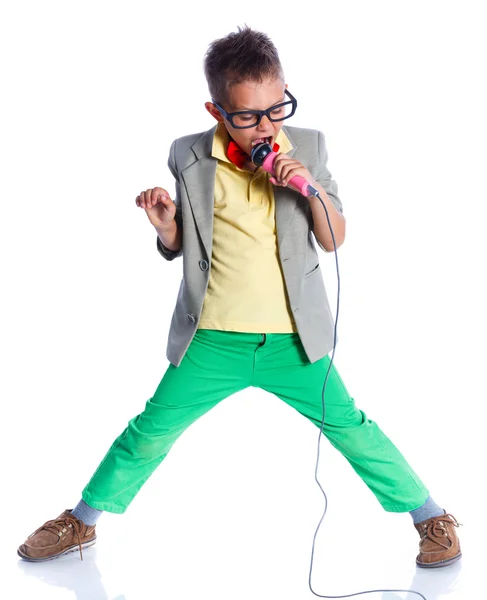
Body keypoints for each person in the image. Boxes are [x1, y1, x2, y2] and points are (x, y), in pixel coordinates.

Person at [18, 24, 461, 569]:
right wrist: (164, 228)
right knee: (150, 432)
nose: (266, 126)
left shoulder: (311, 146)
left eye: (277, 110)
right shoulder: (188, 155)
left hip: (293, 344)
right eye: (248, 116)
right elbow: (186, 243)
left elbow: (333, 237)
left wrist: (308, 186)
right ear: (217, 111)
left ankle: (431, 516)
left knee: (352, 428)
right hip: (212, 340)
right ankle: (81, 521)